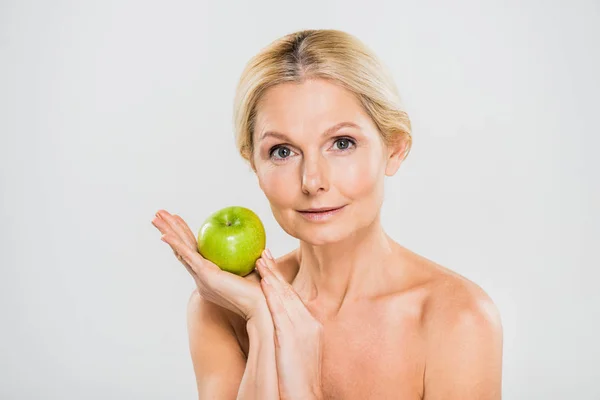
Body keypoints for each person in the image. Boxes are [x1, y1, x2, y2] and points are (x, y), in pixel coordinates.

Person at [152, 29, 503, 399]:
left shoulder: (458, 320)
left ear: (394, 149)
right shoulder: (222, 310)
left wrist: (303, 388)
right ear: (254, 164)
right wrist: (260, 319)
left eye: (342, 143)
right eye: (283, 151)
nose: (312, 181)